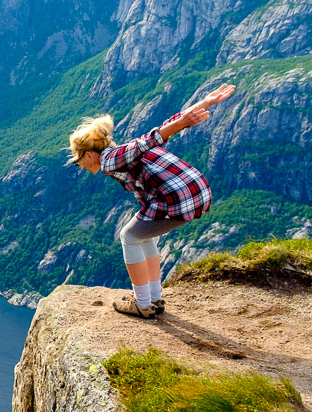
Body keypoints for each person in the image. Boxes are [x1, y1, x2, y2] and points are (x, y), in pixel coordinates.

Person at [67, 83, 235, 318]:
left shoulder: (109, 159)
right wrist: (204, 103)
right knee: (142, 235)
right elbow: (165, 125)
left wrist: (182, 122)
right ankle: (154, 298)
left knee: (129, 237)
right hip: (194, 192)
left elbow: (149, 138)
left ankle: (142, 303)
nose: (80, 166)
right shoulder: (121, 154)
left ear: (87, 154)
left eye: (78, 161)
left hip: (178, 199)